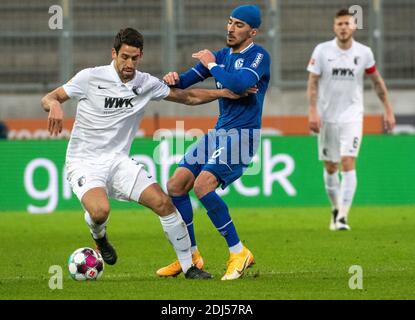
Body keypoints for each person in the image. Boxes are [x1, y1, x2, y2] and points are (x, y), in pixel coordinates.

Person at [41, 28, 250, 280]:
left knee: (164, 203)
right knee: (99, 212)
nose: (129, 64)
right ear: (114, 53)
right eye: (125, 57)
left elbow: (188, 97)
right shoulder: (89, 77)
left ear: (141, 56)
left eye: (135, 58)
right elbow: (51, 97)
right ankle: (100, 237)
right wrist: (53, 105)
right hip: (84, 163)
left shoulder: (145, 83)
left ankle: (189, 267)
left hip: (119, 162)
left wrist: (223, 93)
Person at [157, 5, 270, 280]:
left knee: (202, 185)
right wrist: (172, 79)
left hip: (243, 135)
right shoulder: (220, 57)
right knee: (176, 185)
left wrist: (211, 65)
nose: (231, 28)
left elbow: (239, 84)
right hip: (219, 132)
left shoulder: (258, 56)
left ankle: (238, 251)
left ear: (252, 31)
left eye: (239, 24)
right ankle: (191, 256)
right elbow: (184, 82)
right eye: (230, 22)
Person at [307, 9, 395, 231]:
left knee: (348, 161)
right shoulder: (322, 50)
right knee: (330, 166)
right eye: (339, 24)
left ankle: (343, 216)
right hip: (327, 116)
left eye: (347, 23)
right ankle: (336, 209)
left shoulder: (364, 53)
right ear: (334, 27)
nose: (343, 27)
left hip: (352, 115)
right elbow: (312, 82)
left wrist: (388, 109)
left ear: (354, 26)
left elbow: (376, 81)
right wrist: (313, 111)